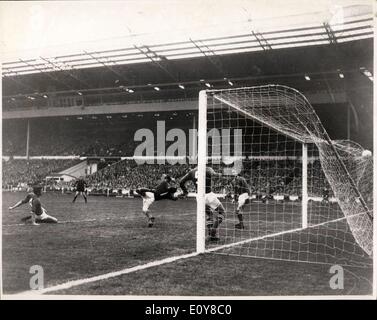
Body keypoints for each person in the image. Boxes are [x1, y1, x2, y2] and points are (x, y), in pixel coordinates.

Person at [179, 166, 225, 241]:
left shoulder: (192, 172)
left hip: (199, 197)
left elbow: (181, 182)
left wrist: (185, 192)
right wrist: (220, 174)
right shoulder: (208, 169)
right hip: (209, 195)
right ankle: (213, 231)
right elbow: (215, 176)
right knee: (222, 212)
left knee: (209, 214)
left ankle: (211, 236)